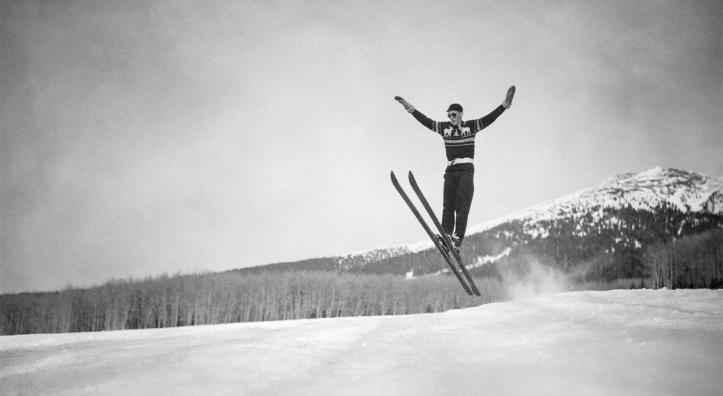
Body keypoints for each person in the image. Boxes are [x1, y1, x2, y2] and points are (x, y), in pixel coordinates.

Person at [394, 86, 515, 250]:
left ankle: (457, 239)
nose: (451, 118)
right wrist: (411, 109)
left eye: (454, 114)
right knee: (448, 205)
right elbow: (427, 122)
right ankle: (446, 236)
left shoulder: (471, 127)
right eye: (449, 115)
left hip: (466, 170)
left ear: (460, 114)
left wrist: (504, 106)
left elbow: (488, 119)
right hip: (450, 171)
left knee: (462, 206)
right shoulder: (445, 129)